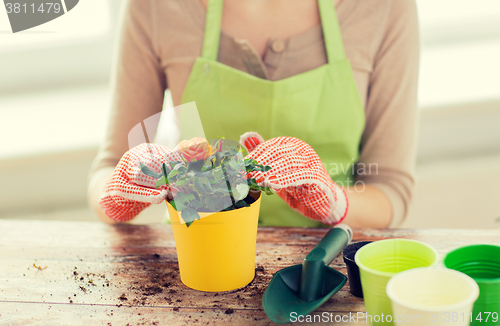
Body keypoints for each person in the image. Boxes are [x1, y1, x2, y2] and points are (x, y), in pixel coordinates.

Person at [88, 0, 420, 228]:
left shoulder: (383, 8)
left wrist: (334, 201)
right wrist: (124, 189)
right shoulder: (157, 7)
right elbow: (107, 169)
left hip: (324, 271)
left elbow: (391, 189)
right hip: (200, 258)